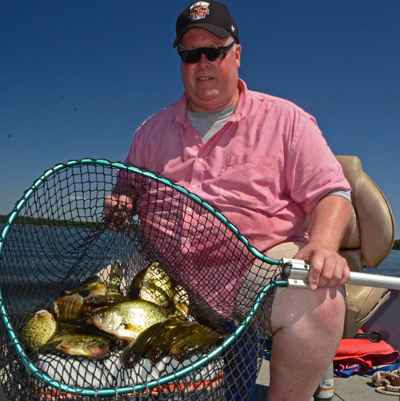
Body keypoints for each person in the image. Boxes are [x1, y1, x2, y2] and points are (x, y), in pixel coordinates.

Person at [105, 2, 353, 400]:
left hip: (251, 268)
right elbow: (128, 188)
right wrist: (122, 201)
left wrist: (323, 244)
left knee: (319, 301)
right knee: (82, 303)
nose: (203, 63)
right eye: (190, 54)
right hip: (160, 271)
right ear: (182, 62)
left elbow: (332, 192)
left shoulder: (287, 120)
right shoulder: (149, 131)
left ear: (236, 54)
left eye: (215, 51)